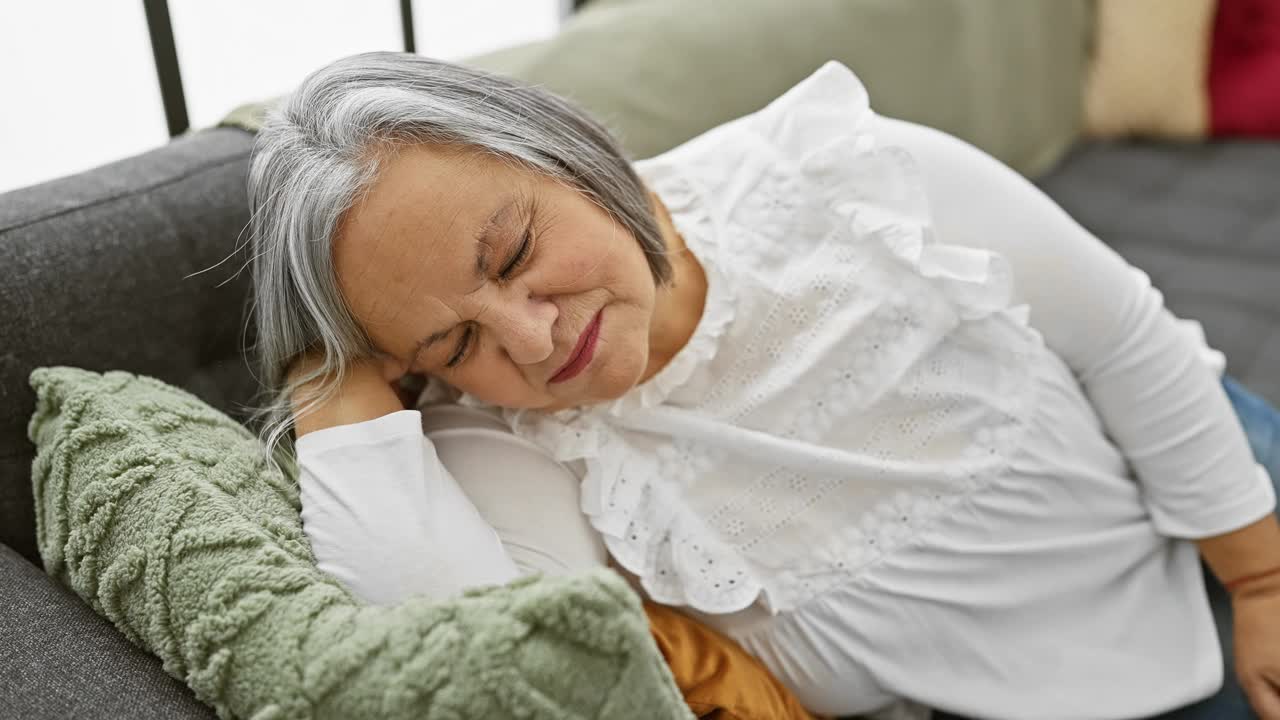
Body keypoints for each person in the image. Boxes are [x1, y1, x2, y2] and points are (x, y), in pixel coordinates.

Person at [246, 50, 1280, 720]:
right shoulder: (508, 434)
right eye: (454, 339)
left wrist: (1256, 579)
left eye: (514, 253)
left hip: (1208, 513)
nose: (529, 338)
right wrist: (334, 399)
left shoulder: (836, 176)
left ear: (574, 155)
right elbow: (480, 647)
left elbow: (1120, 338)